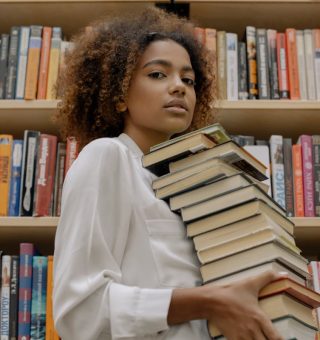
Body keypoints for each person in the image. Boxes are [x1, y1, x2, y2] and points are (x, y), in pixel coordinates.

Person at [53, 7, 286, 340]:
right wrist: (209, 303)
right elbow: (80, 313)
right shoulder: (107, 158)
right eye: (158, 74)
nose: (179, 87)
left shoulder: (190, 186)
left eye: (188, 79)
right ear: (119, 95)